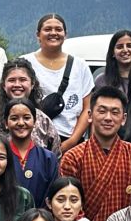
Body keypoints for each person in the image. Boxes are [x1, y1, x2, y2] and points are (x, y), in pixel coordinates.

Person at [59, 86, 131, 221]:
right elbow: (67, 204)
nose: (108, 118)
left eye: (115, 112)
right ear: (90, 115)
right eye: (102, 111)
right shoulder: (73, 157)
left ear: (123, 119)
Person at [23, 14, 94, 153]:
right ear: (38, 35)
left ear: (65, 34)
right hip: (31, 139)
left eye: (58, 29)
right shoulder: (25, 63)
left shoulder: (80, 66)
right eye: (48, 29)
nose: (53, 33)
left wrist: (72, 141)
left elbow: (87, 107)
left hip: (70, 140)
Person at [0, 58, 62, 153]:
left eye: (23, 80)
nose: (17, 84)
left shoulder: (44, 122)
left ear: (32, 84)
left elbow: (55, 159)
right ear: (4, 85)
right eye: (11, 80)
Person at [5, 96, 60, 207]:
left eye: (26, 118)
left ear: (34, 122)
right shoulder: (0, 156)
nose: (21, 123)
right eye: (14, 118)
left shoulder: (48, 158)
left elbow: (52, 196)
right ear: (6, 123)